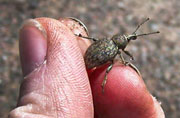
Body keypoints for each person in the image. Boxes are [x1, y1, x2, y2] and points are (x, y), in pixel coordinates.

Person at [9, 17, 165, 118]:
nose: (129, 38)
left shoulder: (109, 43)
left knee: (109, 63)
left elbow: (104, 47)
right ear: (122, 43)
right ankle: (103, 79)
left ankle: (81, 39)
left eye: (130, 38)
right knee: (112, 69)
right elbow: (122, 57)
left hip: (93, 56)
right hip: (92, 60)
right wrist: (125, 61)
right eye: (129, 38)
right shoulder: (117, 50)